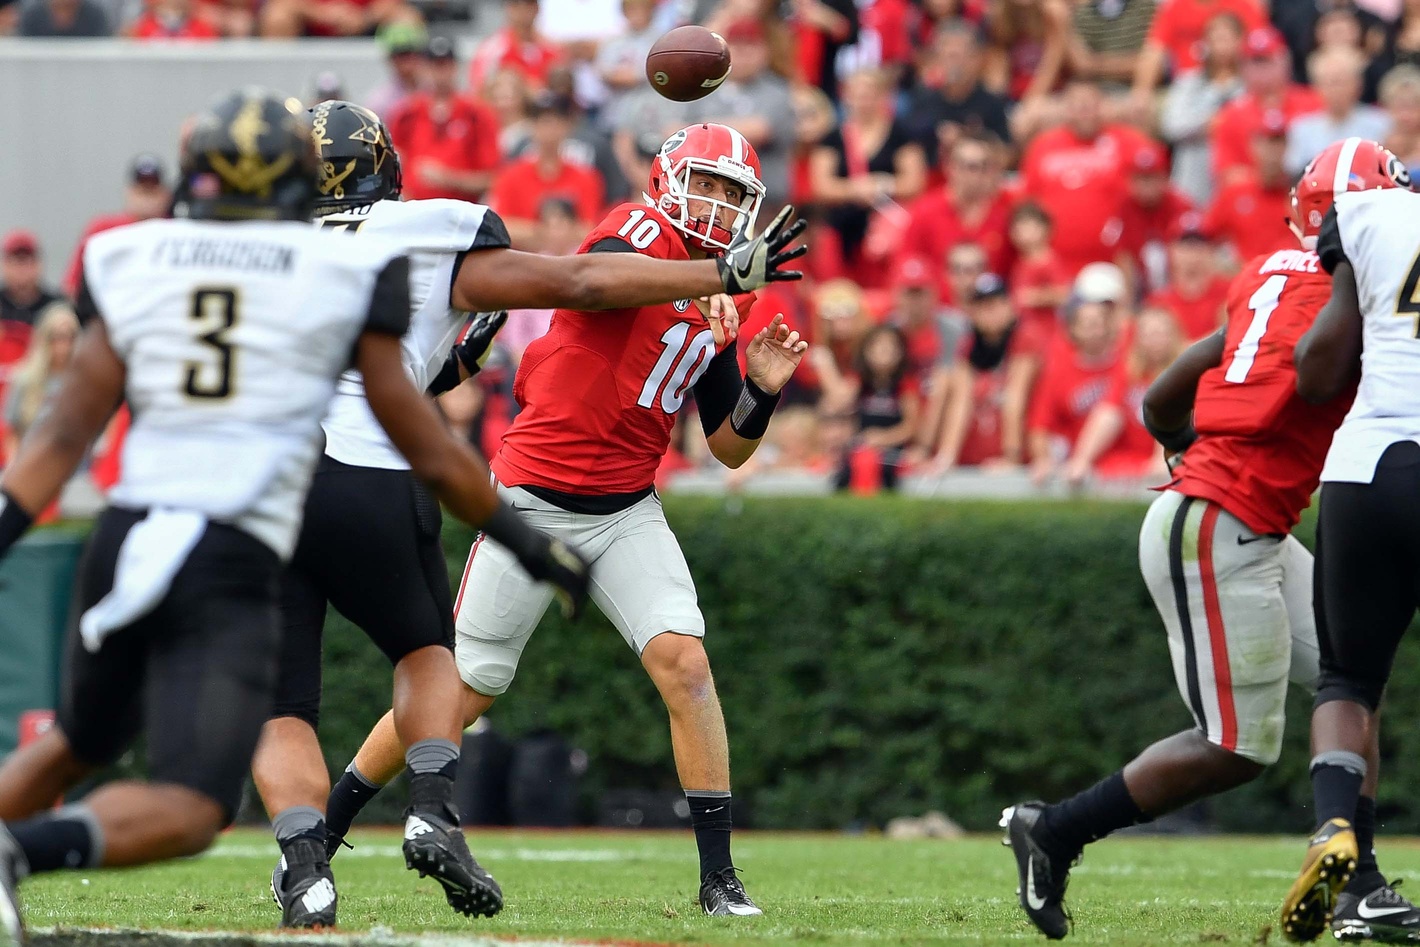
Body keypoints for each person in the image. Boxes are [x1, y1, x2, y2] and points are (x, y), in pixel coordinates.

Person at [0, 87, 588, 947]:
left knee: (88, 745)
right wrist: (527, 542)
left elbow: (59, 435)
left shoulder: (133, 254)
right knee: (196, 803)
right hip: (247, 533)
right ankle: (21, 847)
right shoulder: (345, 268)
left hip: (145, 533)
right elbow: (424, 433)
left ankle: (46, 845)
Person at [276, 122, 809, 920]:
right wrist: (708, 277)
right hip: (532, 495)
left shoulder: (722, 287)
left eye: (736, 195)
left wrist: (760, 388)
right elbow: (593, 279)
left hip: (627, 506)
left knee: (687, 668)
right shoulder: (642, 233)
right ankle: (332, 830)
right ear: (667, 179)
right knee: (466, 686)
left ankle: (719, 876)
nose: (721, 204)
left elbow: (728, 446)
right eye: (711, 184)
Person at [1006, 135, 1418, 946]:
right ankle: (1051, 830)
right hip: (1219, 522)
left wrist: (1191, 441)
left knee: (1347, 687)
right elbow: (1313, 372)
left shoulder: (1269, 275)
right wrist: (1215, 466)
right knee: (1239, 745)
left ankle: (1357, 886)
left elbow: (1165, 394)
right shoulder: (1349, 304)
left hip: (1236, 517)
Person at [1280, 138, 1420, 941]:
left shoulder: (1364, 216)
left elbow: (1320, 372)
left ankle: (1340, 842)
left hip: (1364, 467)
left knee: (1348, 681)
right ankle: (1358, 881)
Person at [1019, 80, 1152, 279]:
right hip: (1054, 266)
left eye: (1090, 104)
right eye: (1076, 105)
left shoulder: (1128, 141)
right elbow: (1027, 204)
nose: (1084, 111)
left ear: (1104, 106)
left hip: (1114, 261)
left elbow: (1154, 184)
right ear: (1065, 109)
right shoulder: (1043, 145)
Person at [809, 67, 927, 283]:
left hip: (885, 232)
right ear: (846, 96)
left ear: (884, 97)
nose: (863, 101)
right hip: (841, 228)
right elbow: (821, 186)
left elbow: (914, 182)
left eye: (870, 94)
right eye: (857, 94)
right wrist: (855, 189)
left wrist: (883, 185)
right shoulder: (832, 138)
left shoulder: (901, 135)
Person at [929, 272, 1042, 472]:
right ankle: (944, 457)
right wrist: (946, 457)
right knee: (947, 382)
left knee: (1009, 395)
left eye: (996, 304)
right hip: (981, 439)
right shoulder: (969, 345)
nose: (990, 312)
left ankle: (1012, 456)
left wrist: (1011, 458)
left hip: (1021, 443)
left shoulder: (1024, 338)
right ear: (972, 312)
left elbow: (1016, 397)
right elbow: (961, 400)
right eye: (982, 306)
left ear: (1010, 307)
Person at [1061, 305, 1181, 484]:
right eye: (1148, 334)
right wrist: (1081, 459)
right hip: (1131, 455)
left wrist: (1161, 460)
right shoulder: (1129, 371)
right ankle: (1081, 461)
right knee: (1110, 413)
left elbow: (1176, 418)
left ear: (1174, 336)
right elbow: (1108, 412)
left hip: (1175, 457)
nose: (1155, 340)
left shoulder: (1186, 371)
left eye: (1161, 333)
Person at [900, 131, 1014, 302]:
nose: (977, 175)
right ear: (950, 167)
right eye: (970, 166)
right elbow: (906, 266)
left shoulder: (1006, 213)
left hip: (989, 311)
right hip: (939, 310)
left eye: (985, 167)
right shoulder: (925, 212)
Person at [388, 37, 502, 203]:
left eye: (445, 65)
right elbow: (393, 164)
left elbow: (492, 178)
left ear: (455, 68)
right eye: (434, 66)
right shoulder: (406, 114)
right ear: (424, 68)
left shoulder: (477, 114)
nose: (440, 73)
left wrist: (449, 179)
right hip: (414, 210)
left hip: (461, 212)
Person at [487, 93, 605, 248]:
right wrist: (546, 231)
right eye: (543, 122)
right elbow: (502, 226)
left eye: (556, 121)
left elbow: (590, 229)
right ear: (533, 126)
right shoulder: (510, 176)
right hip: (524, 261)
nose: (549, 128)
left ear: (567, 125)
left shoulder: (587, 177)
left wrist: (542, 232)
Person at [1211, 27, 1322, 186]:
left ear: (1285, 61)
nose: (1262, 71)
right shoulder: (1231, 115)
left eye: (1267, 61)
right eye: (1255, 62)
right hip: (1254, 200)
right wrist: (1270, 177)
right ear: (1243, 68)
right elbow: (1227, 173)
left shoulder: (1313, 103)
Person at [818, 324, 921, 491]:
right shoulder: (860, 381)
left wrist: (882, 438)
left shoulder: (905, 384)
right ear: (866, 352)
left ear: (901, 352)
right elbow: (837, 400)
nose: (884, 351)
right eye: (878, 345)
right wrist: (825, 364)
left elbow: (910, 426)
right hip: (860, 448)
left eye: (890, 346)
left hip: (892, 453)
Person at [1159, 11, 1245, 206]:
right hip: (1193, 177)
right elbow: (1171, 125)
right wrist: (1208, 123)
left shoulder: (1250, 86)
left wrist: (1227, 126)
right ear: (1205, 44)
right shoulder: (1187, 83)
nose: (1222, 46)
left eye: (1228, 39)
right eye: (1216, 39)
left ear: (1241, 42)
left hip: (1237, 177)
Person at [63, 155, 172, 298]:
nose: (146, 200)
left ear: (166, 194)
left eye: (152, 191)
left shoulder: (177, 230)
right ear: (129, 192)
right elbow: (72, 285)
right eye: (142, 191)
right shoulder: (103, 229)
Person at [905, 18, 1012, 160]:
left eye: (960, 55)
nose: (953, 63)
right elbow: (907, 149)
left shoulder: (991, 103)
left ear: (977, 59)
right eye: (948, 55)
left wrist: (968, 140)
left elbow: (1008, 155)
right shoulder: (922, 99)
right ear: (937, 59)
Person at [1285, 46, 1392, 178]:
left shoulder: (1381, 122)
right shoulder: (1302, 127)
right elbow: (1295, 171)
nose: (1336, 90)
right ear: (1317, 87)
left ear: (1358, 84)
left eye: (1341, 82)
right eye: (1329, 82)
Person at [1204, 108, 1294, 265]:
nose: (1272, 151)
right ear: (1253, 145)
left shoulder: (1298, 194)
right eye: (1266, 143)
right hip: (1246, 281)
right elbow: (1203, 238)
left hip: (1289, 281)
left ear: (1287, 147)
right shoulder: (1235, 192)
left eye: (1278, 143)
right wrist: (1222, 267)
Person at [1112, 140, 1196, 297]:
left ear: (1164, 178)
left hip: (1176, 283)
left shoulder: (1181, 205)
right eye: (1141, 178)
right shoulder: (1125, 206)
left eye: (1152, 178)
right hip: (1140, 283)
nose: (1146, 186)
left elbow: (1192, 256)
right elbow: (1124, 257)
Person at [3, 302, 78, 463]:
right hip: (29, 464)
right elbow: (12, 434)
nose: (64, 346)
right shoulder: (24, 378)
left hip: (72, 468)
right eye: (57, 337)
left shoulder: (83, 382)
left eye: (70, 337)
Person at [1145, 211, 1230, 339]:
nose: (1192, 254)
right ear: (1171, 250)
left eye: (1199, 245)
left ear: (1211, 250)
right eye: (1185, 246)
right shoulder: (1159, 303)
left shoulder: (1230, 293)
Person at [365, 21, 429, 119]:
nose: (407, 60)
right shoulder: (380, 102)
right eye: (400, 54)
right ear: (390, 59)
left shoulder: (434, 92)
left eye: (411, 52)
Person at [0, 232, 60, 328]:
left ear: (38, 265)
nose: (21, 270)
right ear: (5, 265)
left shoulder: (56, 307)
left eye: (26, 262)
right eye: (16, 262)